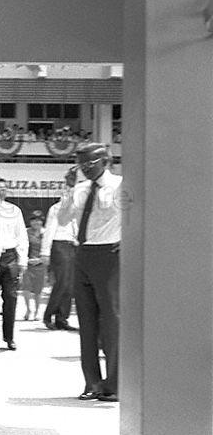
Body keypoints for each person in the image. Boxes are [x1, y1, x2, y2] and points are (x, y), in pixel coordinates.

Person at [58, 143, 122, 402]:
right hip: (82, 253)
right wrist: (69, 189)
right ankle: (92, 382)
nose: (85, 168)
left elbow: (137, 215)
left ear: (105, 161)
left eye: (90, 163)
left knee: (111, 321)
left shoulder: (120, 185)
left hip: (110, 255)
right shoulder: (80, 189)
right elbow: (62, 220)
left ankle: (115, 384)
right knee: (86, 322)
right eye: (81, 163)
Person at [0, 178, 28, 350]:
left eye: (4, 189)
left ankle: (9, 338)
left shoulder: (14, 210)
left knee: (11, 298)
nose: (1, 191)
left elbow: (21, 237)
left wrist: (22, 260)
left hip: (10, 258)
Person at [40, 200, 78, 331]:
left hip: (73, 245)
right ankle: (48, 316)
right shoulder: (58, 208)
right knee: (61, 283)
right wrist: (45, 252)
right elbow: (49, 230)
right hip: (59, 244)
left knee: (70, 285)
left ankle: (62, 318)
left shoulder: (80, 208)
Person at [19, 210, 45, 322]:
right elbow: (21, 246)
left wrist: (40, 259)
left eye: (38, 220)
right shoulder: (25, 232)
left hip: (41, 264)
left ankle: (38, 311)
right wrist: (25, 259)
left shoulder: (46, 233)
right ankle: (28, 310)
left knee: (38, 290)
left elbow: (49, 249)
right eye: (34, 220)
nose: (36, 223)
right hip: (28, 263)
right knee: (26, 288)